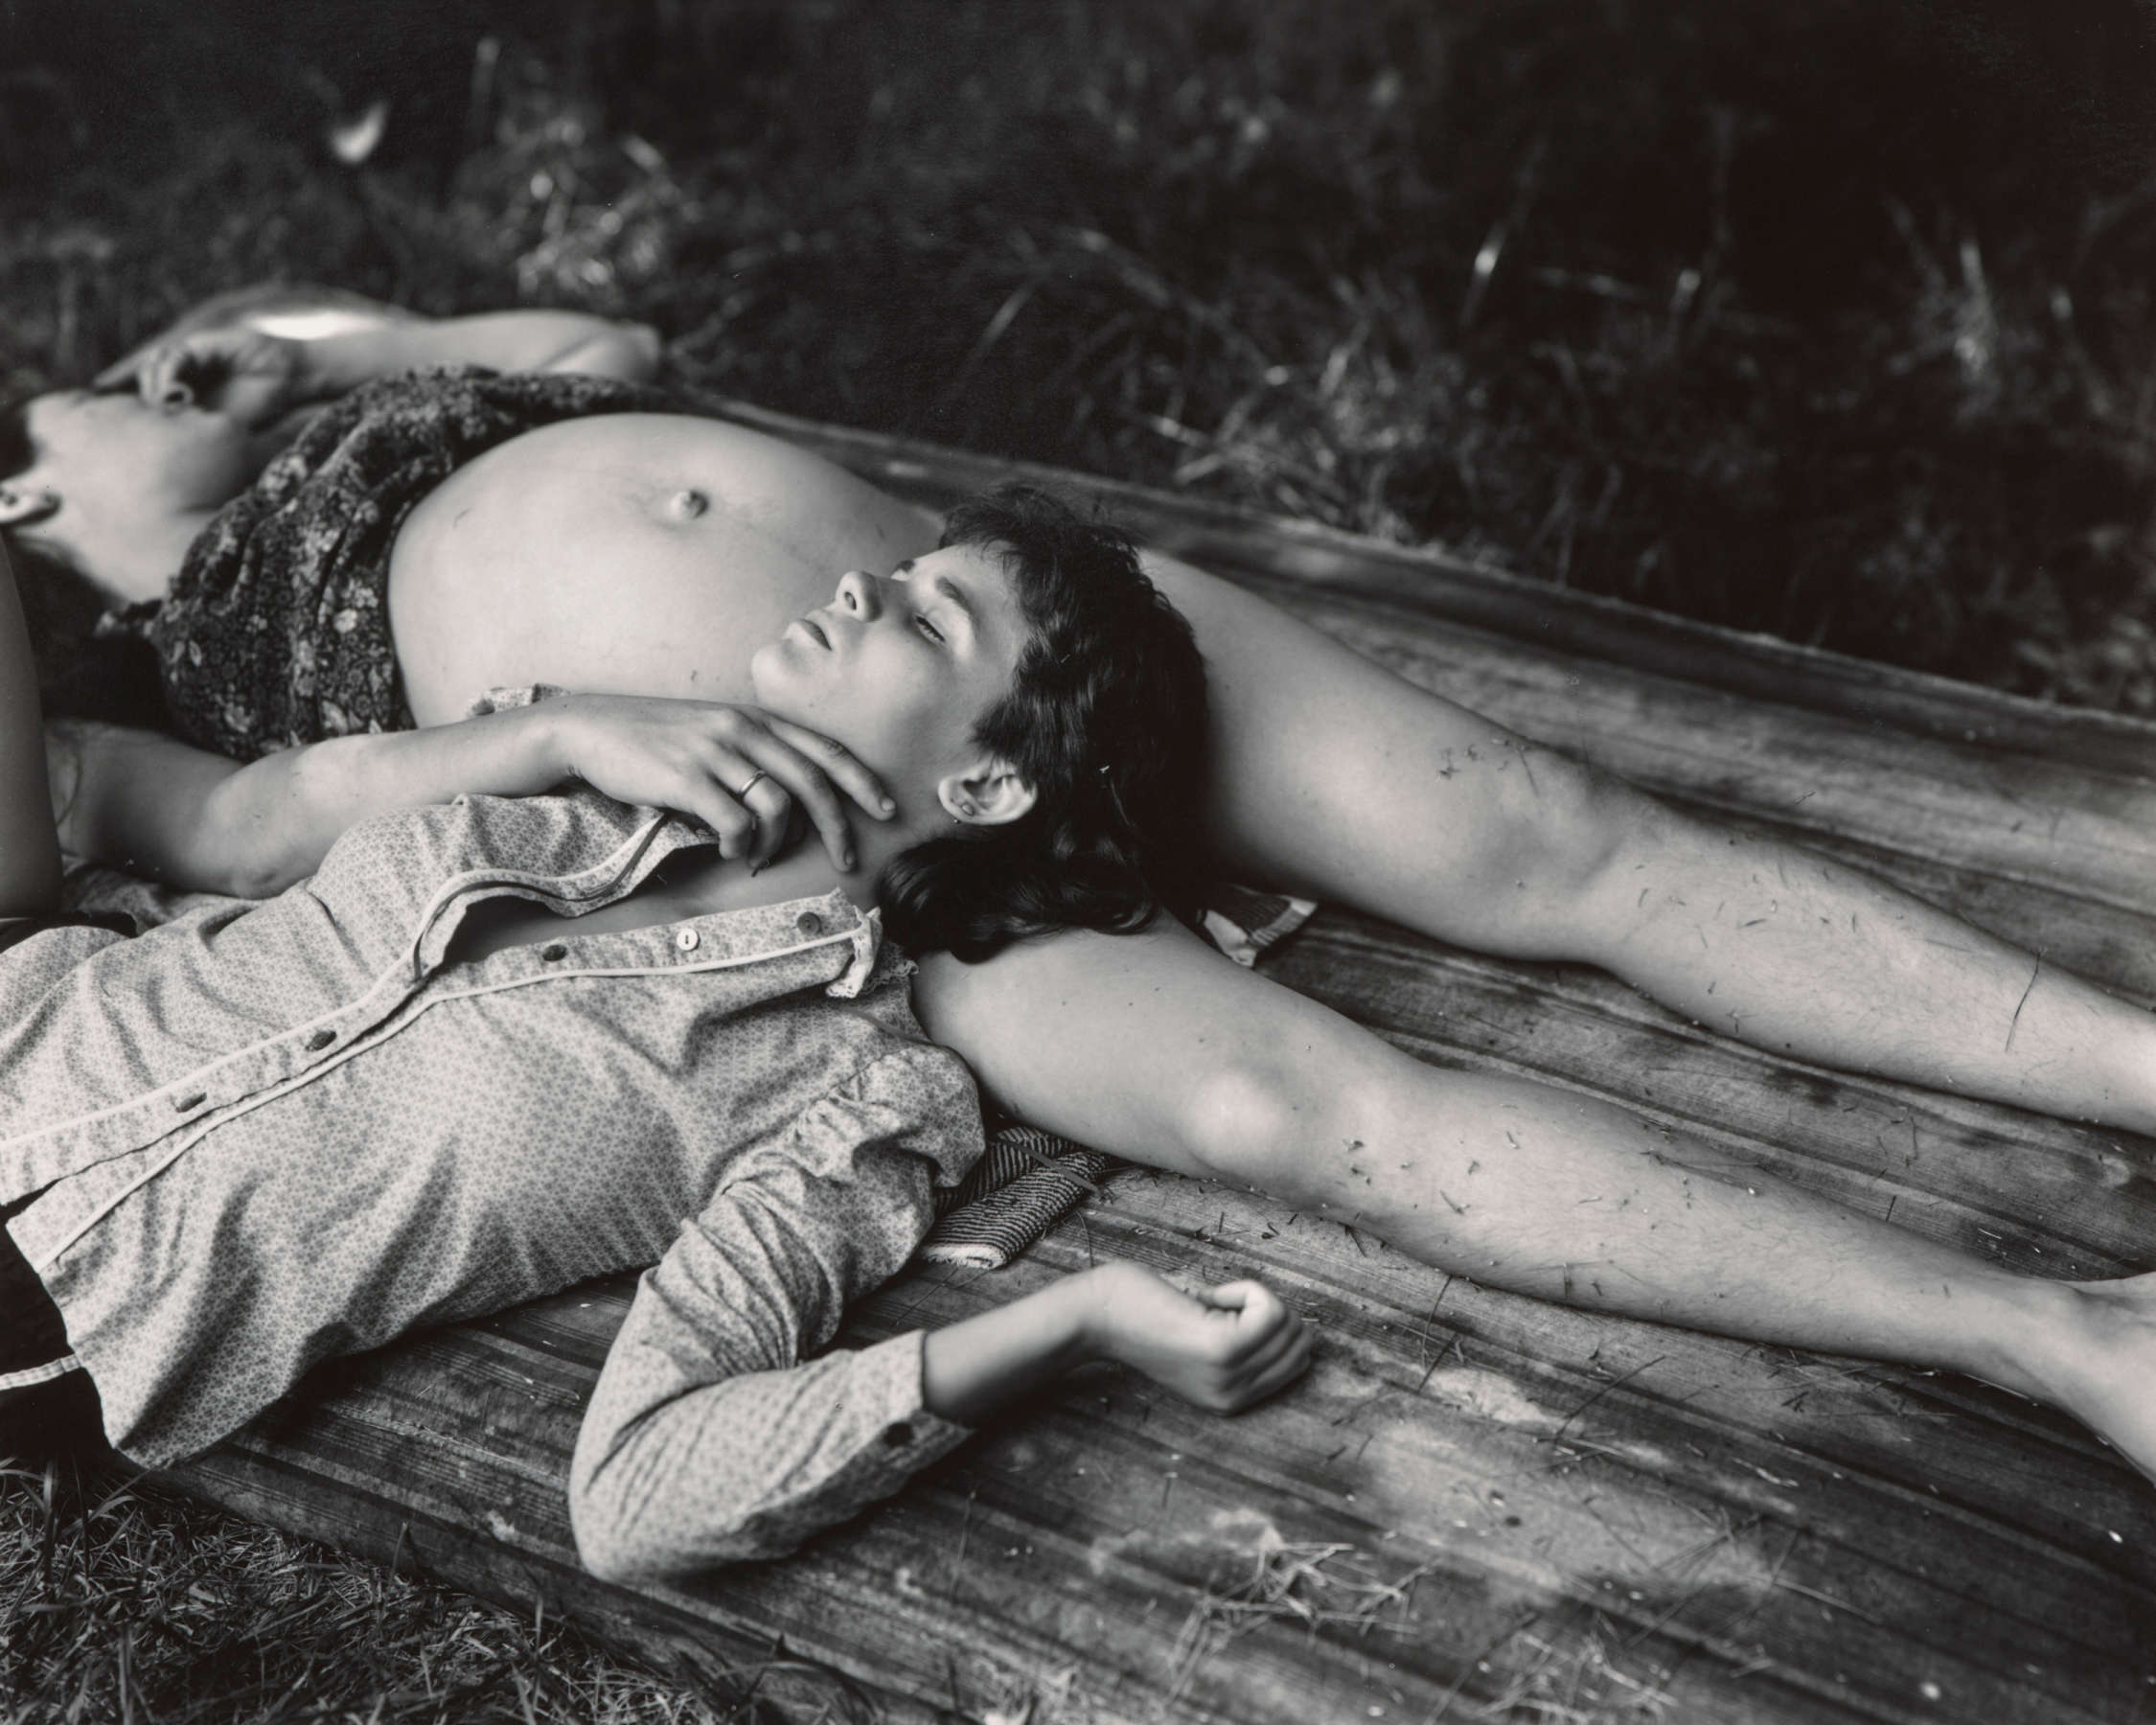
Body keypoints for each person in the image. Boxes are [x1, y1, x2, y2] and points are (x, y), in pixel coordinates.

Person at [11, 301, 2156, 1484]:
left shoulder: (333, 391)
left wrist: (341, 347)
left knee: (1545, 825)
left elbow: (606, 330)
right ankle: (2055, 1341)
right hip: (852, 852)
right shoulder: (152, 647)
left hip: (1015, 619)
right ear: (33, 503)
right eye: (87, 406)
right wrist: (537, 730)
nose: (142, 378)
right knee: (1336, 1129)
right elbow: (176, 825)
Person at [0, 488, 1313, 1583]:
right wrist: (562, 726)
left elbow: (637, 1497)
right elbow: (270, 818)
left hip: (66, 1301)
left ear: (983, 784)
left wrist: (1074, 1325)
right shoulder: (598, 756)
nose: (861, 587)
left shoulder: (857, 1088)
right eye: (896, 568)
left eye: (925, 614)